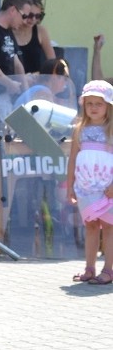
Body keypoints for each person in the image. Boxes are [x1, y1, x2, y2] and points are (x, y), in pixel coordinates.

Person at [67, 80, 113, 285]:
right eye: (89, 103)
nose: (93, 108)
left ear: (109, 106)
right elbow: (73, 159)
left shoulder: (111, 129)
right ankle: (89, 268)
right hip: (85, 187)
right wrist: (70, 186)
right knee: (91, 226)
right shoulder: (79, 128)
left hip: (107, 188)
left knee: (110, 227)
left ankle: (109, 269)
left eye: (99, 103)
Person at [15, 0, 55, 74]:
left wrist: (38, 74)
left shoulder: (41, 31)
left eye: (38, 16)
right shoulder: (10, 30)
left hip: (35, 81)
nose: (34, 19)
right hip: (13, 81)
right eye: (30, 15)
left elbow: (52, 62)